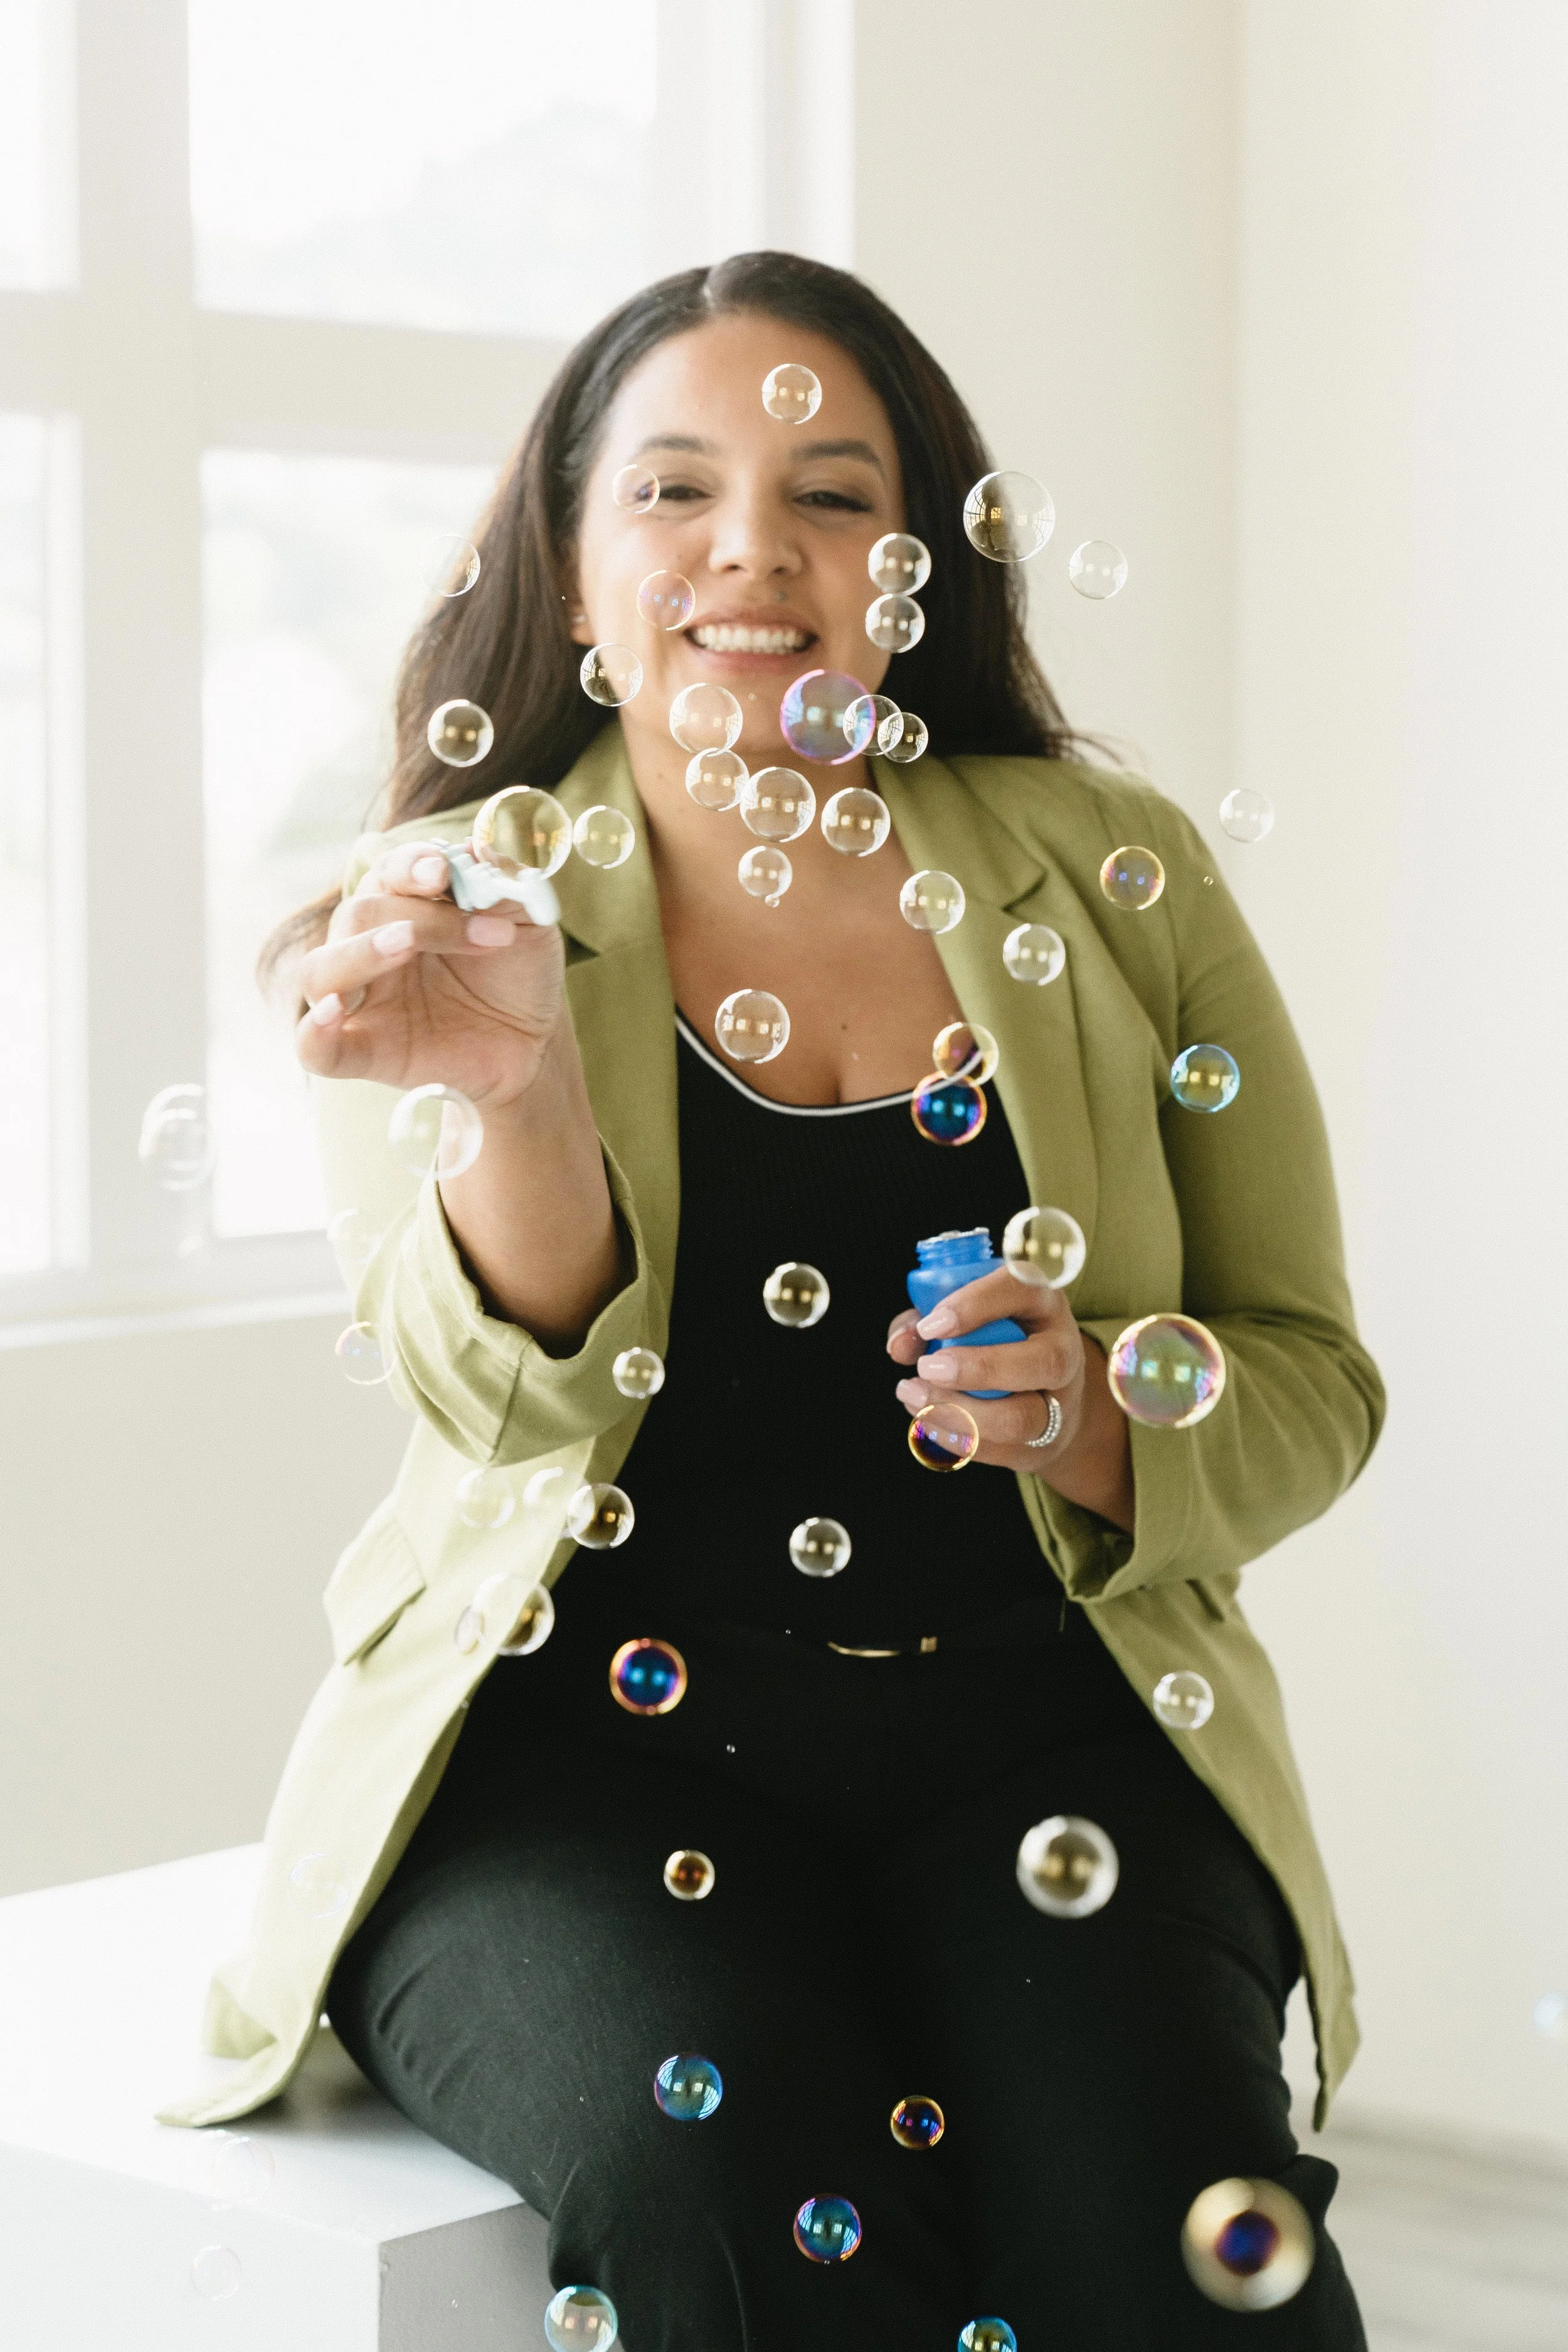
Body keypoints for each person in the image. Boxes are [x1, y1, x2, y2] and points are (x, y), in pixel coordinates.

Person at [160, 251, 1385, 2348]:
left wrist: (1093, 1411)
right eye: (670, 491)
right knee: (731, 2182)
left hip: (1045, 1734)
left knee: (1170, 2263)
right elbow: (504, 1412)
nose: (752, 548)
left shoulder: (1106, 874)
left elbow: (1305, 1377)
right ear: (563, 574)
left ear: (914, 563)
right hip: (572, 1762)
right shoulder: (457, 908)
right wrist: (517, 1084)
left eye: (832, 490)